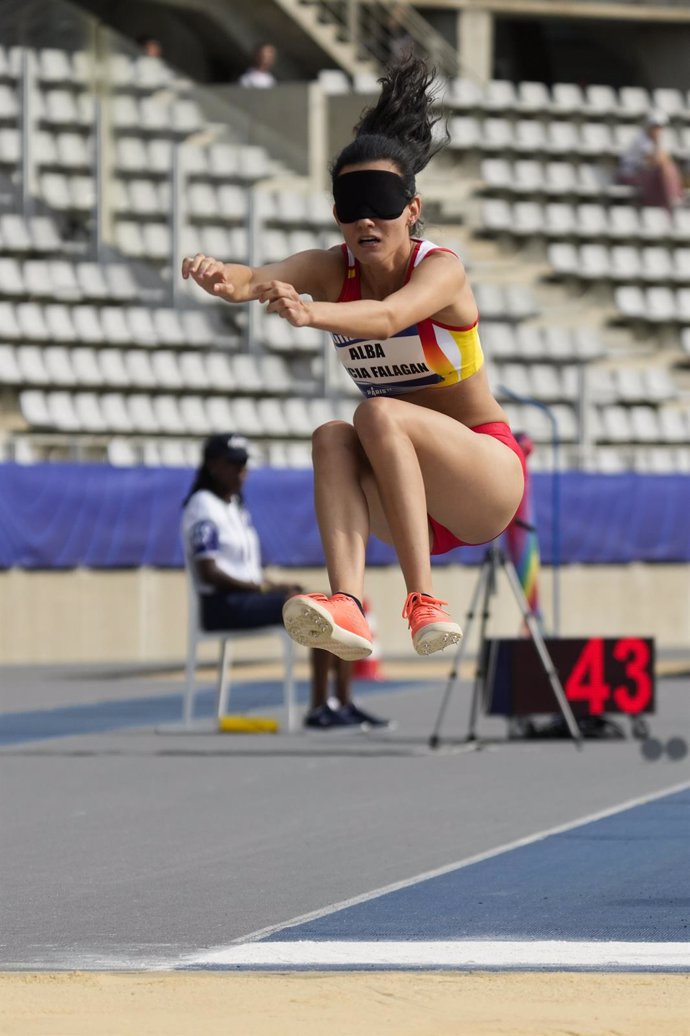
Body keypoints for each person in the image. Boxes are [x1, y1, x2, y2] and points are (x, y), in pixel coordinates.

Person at [181, 52, 526, 664]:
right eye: (351, 204)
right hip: (403, 498)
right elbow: (255, 278)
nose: (367, 218)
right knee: (332, 436)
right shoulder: (329, 267)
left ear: (412, 209)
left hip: (481, 479)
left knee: (378, 414)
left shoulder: (439, 269)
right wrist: (219, 276)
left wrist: (312, 313)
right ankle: (351, 604)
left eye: (383, 201)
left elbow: (391, 318)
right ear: (338, 214)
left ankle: (424, 601)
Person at [181, 433, 390, 729]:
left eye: (244, 465)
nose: (242, 472)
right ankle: (320, 708)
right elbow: (209, 572)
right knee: (315, 611)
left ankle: (342, 703)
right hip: (220, 605)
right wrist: (266, 588)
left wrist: (275, 585)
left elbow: (244, 572)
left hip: (243, 597)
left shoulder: (234, 506)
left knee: (329, 605)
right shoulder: (203, 506)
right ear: (213, 466)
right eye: (234, 464)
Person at [616, 109, 685, 211]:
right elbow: (654, 161)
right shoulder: (641, 139)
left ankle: (672, 199)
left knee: (668, 169)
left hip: (643, 175)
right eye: (656, 126)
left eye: (660, 127)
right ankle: (673, 198)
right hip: (629, 176)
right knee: (666, 169)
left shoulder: (657, 141)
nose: (658, 129)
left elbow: (662, 160)